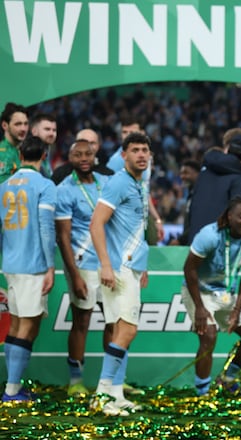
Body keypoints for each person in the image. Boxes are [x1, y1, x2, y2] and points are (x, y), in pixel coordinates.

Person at [88, 131, 152, 416]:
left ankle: (115, 393)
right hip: (117, 266)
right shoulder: (118, 183)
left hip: (131, 267)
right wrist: (104, 264)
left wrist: (143, 265)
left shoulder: (139, 183)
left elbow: (134, 229)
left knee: (118, 330)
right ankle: (102, 395)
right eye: (135, 150)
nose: (141, 154)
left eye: (145, 150)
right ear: (123, 155)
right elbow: (96, 224)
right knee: (128, 330)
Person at [182, 196, 241, 396]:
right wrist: (200, 308)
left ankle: (226, 379)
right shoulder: (209, 235)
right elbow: (189, 270)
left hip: (227, 294)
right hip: (199, 292)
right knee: (209, 336)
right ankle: (202, 394)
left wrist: (237, 309)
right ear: (229, 216)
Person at [0, 136, 56, 402]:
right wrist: (50, 266)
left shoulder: (3, 186)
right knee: (27, 325)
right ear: (44, 156)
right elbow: (46, 227)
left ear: (20, 156)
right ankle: (11, 391)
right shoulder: (45, 185)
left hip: (10, 264)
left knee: (16, 324)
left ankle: (12, 387)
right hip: (33, 265)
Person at [55, 139, 111, 397]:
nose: (84, 158)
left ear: (95, 155)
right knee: (82, 321)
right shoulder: (65, 190)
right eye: (78, 155)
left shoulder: (106, 184)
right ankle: (76, 380)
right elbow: (63, 237)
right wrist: (74, 274)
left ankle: (112, 380)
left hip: (108, 262)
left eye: (88, 153)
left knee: (114, 318)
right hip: (83, 263)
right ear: (71, 159)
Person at [187, 134, 241, 244]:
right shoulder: (240, 180)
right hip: (220, 247)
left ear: (227, 150)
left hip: (195, 242)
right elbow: (239, 219)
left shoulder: (204, 173)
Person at [0, 102, 28, 183]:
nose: (23, 129)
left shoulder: (24, 151)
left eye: (26, 124)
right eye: (18, 124)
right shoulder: (1, 154)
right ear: (5, 125)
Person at [29, 113, 57, 178]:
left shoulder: (48, 151)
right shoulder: (28, 154)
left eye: (54, 130)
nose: (51, 133)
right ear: (34, 131)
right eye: (47, 129)